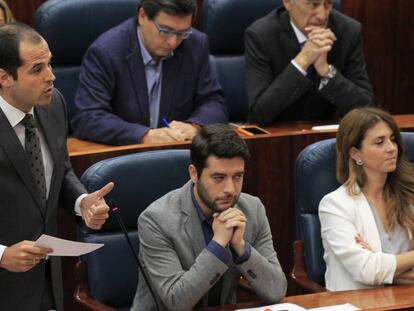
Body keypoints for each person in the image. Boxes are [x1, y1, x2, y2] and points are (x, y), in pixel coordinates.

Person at [0, 23, 114, 310]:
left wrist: (81, 201)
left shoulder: (53, 105)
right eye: (37, 69)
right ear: (4, 77)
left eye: (49, 64)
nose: (51, 76)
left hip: (47, 284)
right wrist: (1, 255)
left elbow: (59, 170)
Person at [131, 124, 287, 310]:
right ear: (194, 173)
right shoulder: (156, 220)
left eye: (238, 176)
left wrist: (241, 248)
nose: (230, 189)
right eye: (219, 177)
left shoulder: (252, 209)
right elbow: (176, 302)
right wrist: (218, 244)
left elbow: (277, 290)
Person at [72, 0, 228, 146]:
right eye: (165, 31)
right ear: (143, 16)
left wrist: (195, 127)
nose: (173, 42)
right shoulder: (106, 52)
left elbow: (213, 102)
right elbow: (88, 117)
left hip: (178, 154)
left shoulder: (195, 45)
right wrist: (145, 135)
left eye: (182, 33)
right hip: (123, 158)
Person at [319, 107, 414, 291]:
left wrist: (385, 270)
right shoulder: (335, 205)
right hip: (359, 304)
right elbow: (367, 270)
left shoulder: (409, 194)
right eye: (379, 142)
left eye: (392, 139)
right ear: (355, 154)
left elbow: (374, 269)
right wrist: (390, 272)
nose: (391, 148)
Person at [245, 0, 374, 126]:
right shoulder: (261, 35)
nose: (322, 16)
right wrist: (302, 61)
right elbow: (258, 115)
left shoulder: (348, 30)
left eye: (328, 4)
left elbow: (367, 108)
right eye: (314, 4)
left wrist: (326, 72)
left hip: (331, 138)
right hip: (279, 138)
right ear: (288, 3)